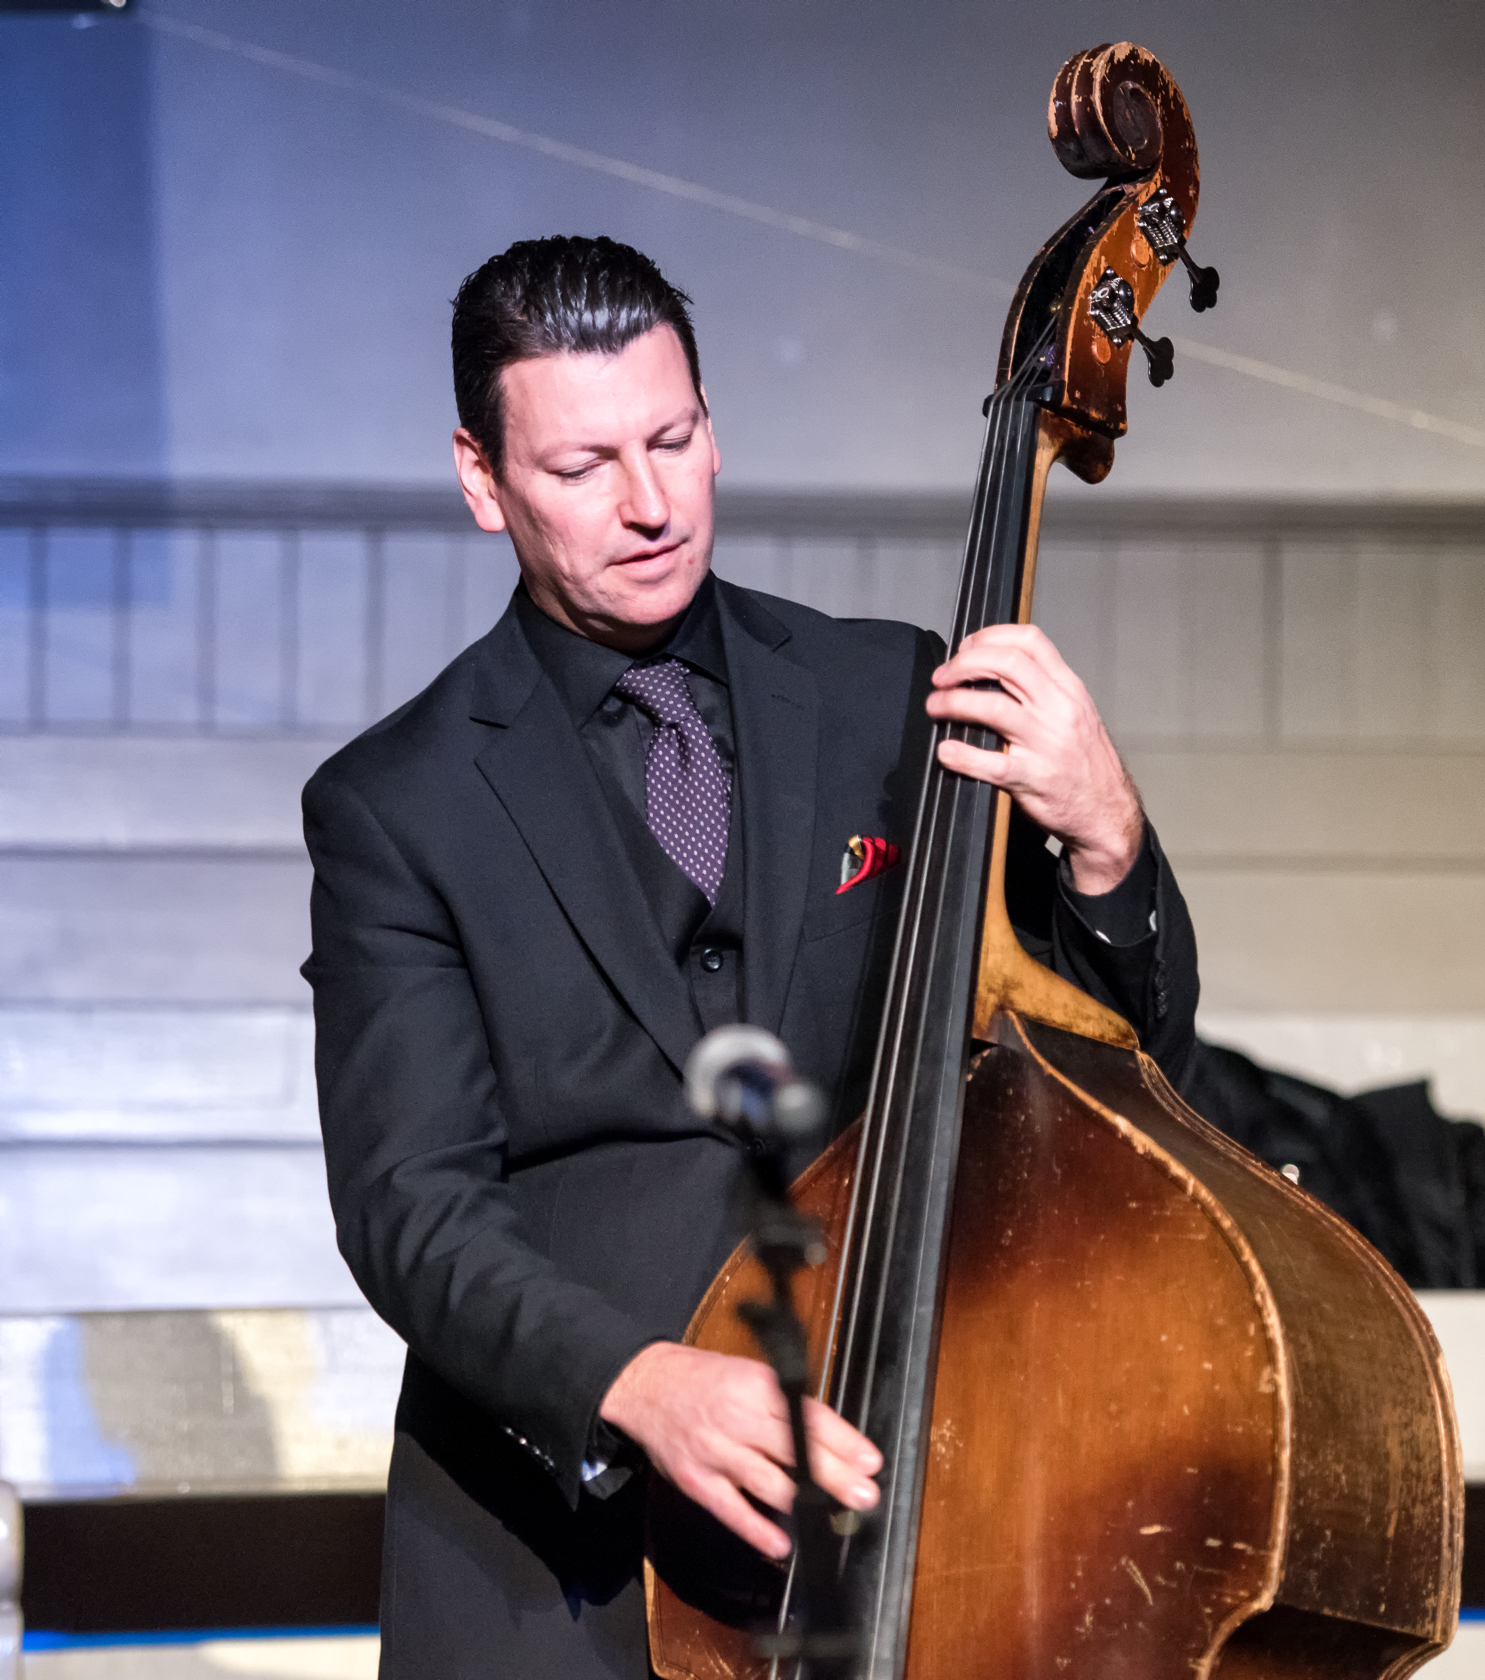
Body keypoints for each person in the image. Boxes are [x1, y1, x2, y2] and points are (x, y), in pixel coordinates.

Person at [303, 235, 1200, 1680]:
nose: (649, 503)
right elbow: (410, 1205)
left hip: (915, 1502)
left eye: (673, 438)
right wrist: (631, 1382)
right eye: (583, 466)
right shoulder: (394, 803)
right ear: (483, 479)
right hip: (555, 1569)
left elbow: (1107, 1085)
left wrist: (1104, 840)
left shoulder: (890, 693)